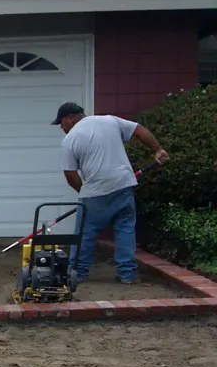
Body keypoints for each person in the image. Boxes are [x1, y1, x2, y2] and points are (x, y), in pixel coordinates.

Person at [52, 102, 170, 284]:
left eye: (61, 122)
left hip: (95, 193)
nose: (61, 127)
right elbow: (139, 130)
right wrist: (157, 149)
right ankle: (127, 274)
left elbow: (70, 174)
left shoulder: (71, 139)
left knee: (85, 233)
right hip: (124, 186)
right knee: (125, 230)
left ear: (70, 118)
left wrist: (83, 192)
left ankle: (78, 273)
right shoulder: (110, 121)